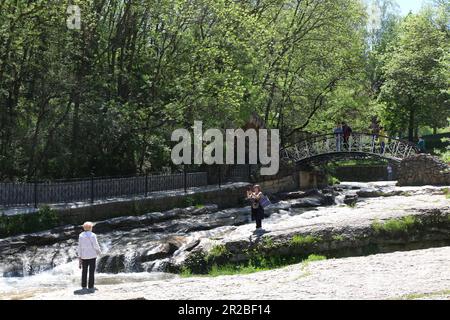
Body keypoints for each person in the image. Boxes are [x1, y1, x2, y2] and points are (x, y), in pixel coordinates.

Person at [78, 222, 102, 293]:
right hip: (92, 256)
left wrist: (79, 256)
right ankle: (91, 286)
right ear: (90, 228)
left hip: (84, 256)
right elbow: (95, 245)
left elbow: (79, 247)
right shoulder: (93, 235)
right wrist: (99, 252)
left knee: (84, 271)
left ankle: (83, 286)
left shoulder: (81, 235)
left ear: (84, 228)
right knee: (91, 271)